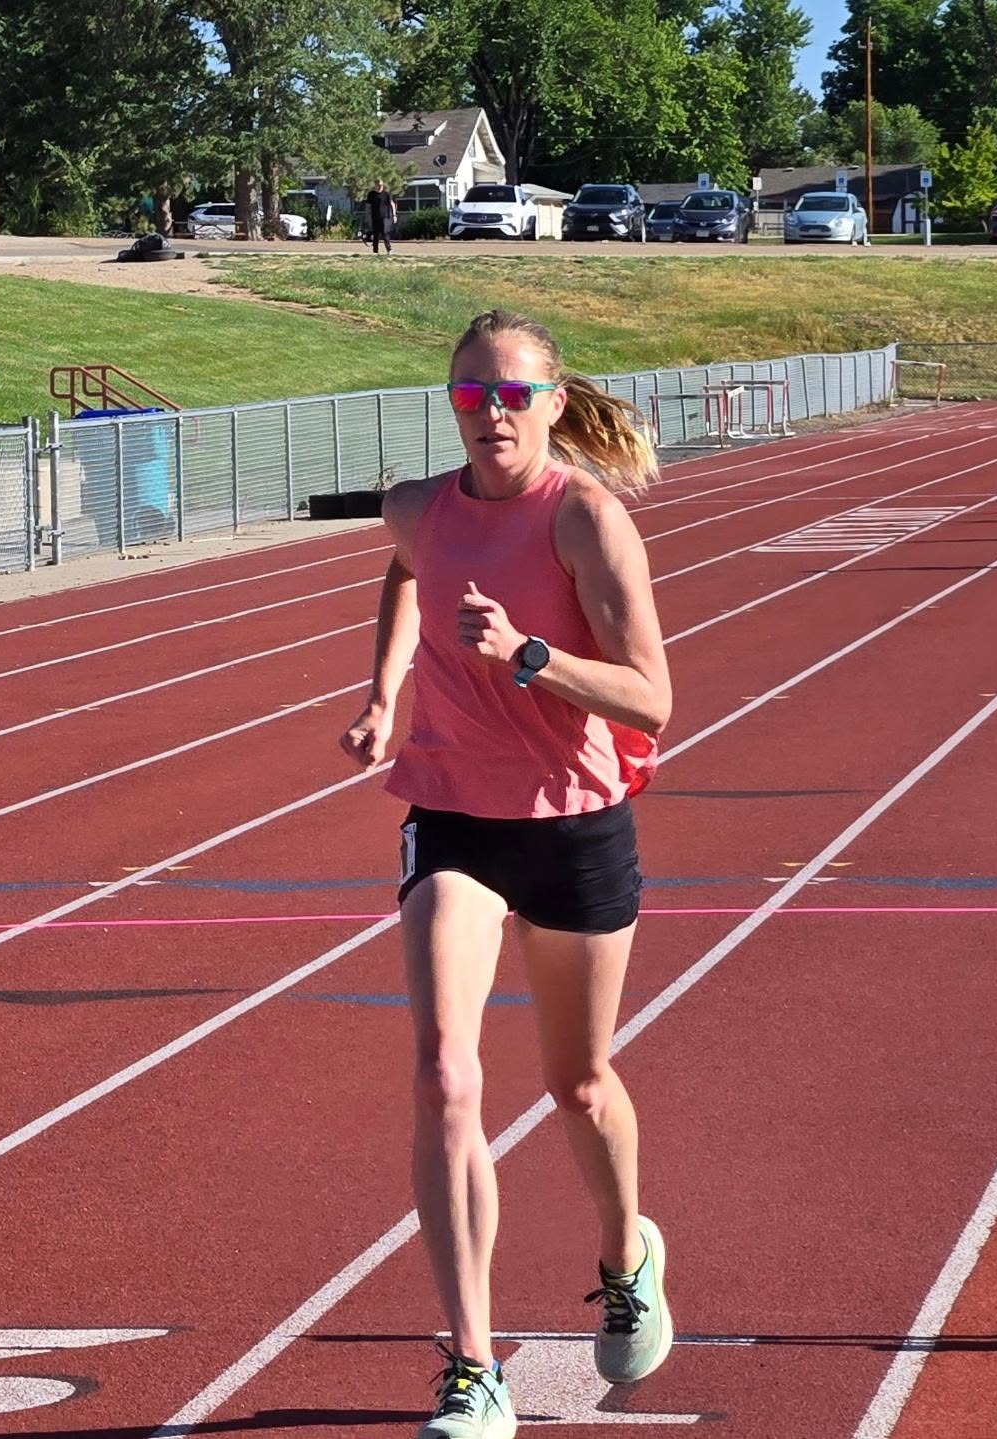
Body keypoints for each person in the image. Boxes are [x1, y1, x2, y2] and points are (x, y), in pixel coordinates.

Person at [339, 309, 674, 1439]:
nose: (492, 414)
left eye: (514, 395)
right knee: (443, 1071)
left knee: (577, 1082)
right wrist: (387, 689)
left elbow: (652, 697)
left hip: (578, 822)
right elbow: (402, 568)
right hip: (454, 817)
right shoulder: (420, 508)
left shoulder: (584, 518)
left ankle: (627, 1252)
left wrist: (529, 657)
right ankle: (474, 1364)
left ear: (555, 402)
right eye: (472, 395)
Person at [365, 178, 396, 254]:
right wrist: (367, 217)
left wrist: (394, 215)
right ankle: (375, 251)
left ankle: (389, 250)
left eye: (381, 185)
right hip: (374, 217)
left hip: (385, 217)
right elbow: (368, 206)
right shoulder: (371, 194)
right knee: (375, 235)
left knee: (385, 233)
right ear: (375, 185)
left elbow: (392, 204)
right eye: (378, 185)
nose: (380, 186)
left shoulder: (386, 194)